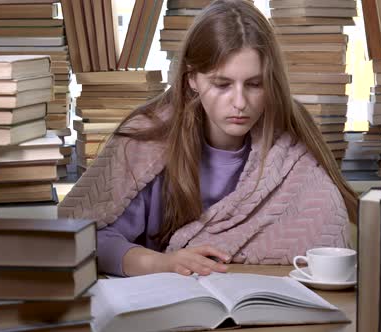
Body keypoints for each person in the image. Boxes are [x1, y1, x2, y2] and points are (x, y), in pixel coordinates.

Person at [58, 0, 357, 277]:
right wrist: (163, 263)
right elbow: (89, 237)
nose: (240, 102)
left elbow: (329, 242)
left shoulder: (291, 146)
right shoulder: (146, 139)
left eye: (254, 84)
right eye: (222, 84)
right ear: (192, 79)